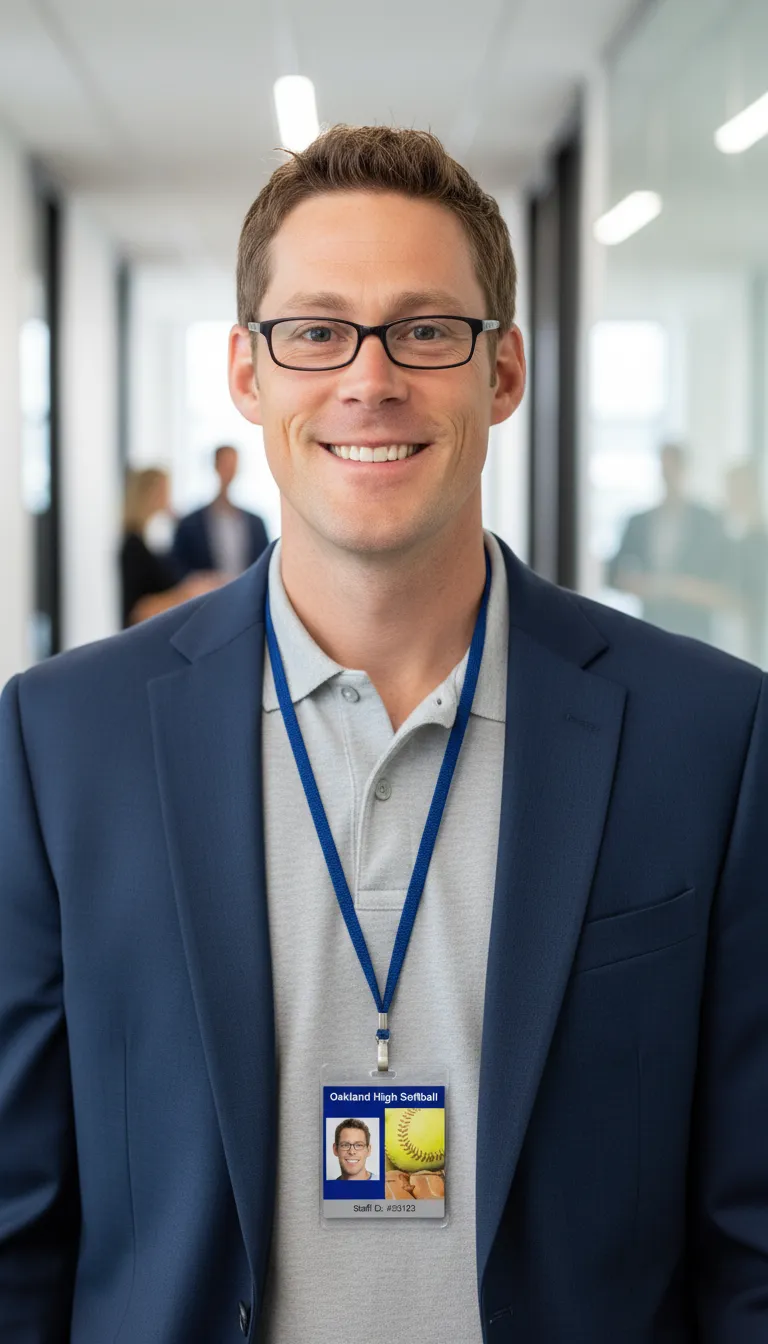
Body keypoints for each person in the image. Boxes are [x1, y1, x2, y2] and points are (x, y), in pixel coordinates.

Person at [0, 126, 767, 1344]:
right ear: (248, 375)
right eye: (316, 331)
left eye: (425, 330)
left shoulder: (707, 736)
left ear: (503, 370)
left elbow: (752, 1240)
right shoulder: (61, 743)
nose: (369, 380)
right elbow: (17, 1231)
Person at [607, 441, 730, 641]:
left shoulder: (709, 522)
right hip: (651, 625)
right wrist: (635, 583)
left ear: (685, 470)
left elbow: (726, 582)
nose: (669, 477)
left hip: (697, 630)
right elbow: (613, 573)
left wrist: (686, 588)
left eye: (674, 469)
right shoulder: (638, 522)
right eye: (665, 470)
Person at [119, 467, 224, 626]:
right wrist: (188, 592)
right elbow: (138, 610)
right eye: (164, 490)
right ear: (150, 494)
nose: (168, 496)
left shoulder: (150, 538)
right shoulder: (133, 545)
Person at [172, 444, 269, 578]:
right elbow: (177, 569)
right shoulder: (189, 523)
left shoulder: (256, 523)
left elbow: (265, 565)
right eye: (225, 464)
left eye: (233, 465)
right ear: (215, 466)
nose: (229, 471)